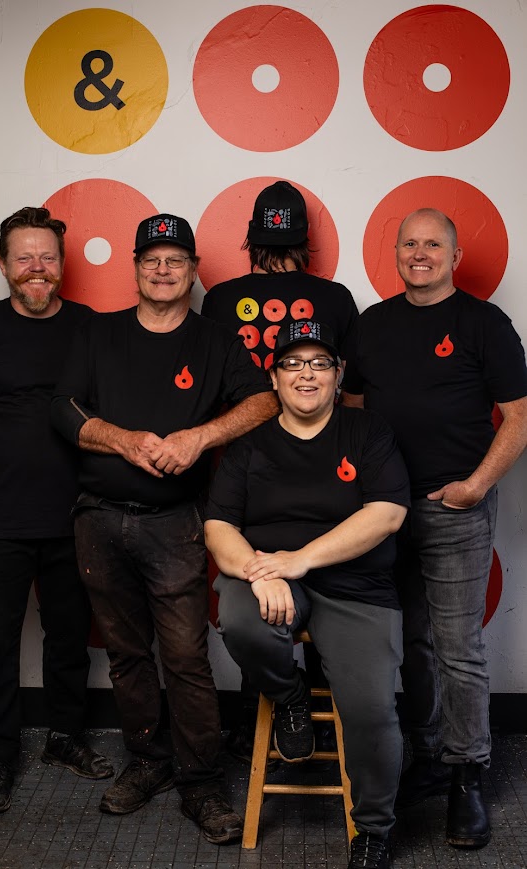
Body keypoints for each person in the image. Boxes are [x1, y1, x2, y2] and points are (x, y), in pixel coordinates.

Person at [51, 213, 277, 844]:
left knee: (184, 655)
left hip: (176, 522)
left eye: (175, 260)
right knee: (127, 655)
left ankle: (200, 780)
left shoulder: (215, 341)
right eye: (151, 259)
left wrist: (200, 437)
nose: (162, 269)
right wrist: (122, 440)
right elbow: (61, 409)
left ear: (194, 271)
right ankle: (148, 761)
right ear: (135, 268)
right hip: (98, 518)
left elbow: (264, 400)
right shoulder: (99, 333)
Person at [342, 208, 527, 849]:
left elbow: (519, 417)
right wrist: (365, 489)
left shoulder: (484, 323)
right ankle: (427, 757)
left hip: (455, 509)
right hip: (384, 513)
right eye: (410, 244)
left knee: (457, 648)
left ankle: (467, 775)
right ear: (395, 252)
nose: (420, 254)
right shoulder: (371, 324)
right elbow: (354, 409)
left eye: (433, 244)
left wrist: (474, 487)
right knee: (411, 642)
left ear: (454, 256)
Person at [206, 319, 410, 869]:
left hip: (358, 586)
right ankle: (289, 695)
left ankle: (373, 828)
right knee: (240, 617)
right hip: (271, 577)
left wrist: (301, 559)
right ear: (273, 378)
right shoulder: (250, 446)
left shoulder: (368, 431)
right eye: (293, 363)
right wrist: (259, 572)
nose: (306, 374)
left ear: (338, 375)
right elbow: (218, 527)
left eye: (320, 363)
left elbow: (387, 514)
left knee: (371, 710)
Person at [0, 207, 113, 815]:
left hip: (79, 513)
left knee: (70, 635)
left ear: (62, 264)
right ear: (3, 265)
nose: (36, 268)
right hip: (1, 518)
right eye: (24, 257)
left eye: (47, 257)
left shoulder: (91, 328)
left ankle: (65, 738)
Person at [202, 179, 359, 760]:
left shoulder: (221, 299)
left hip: (246, 471)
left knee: (255, 595)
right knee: (323, 589)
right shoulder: (335, 298)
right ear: (304, 240)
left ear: (251, 239)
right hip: (324, 467)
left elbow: (212, 396)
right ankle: (324, 717)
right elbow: (354, 397)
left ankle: (266, 715)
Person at [201, 179, 358, 370]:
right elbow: (349, 378)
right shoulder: (337, 298)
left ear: (252, 231)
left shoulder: (218, 299)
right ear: (307, 230)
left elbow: (208, 373)